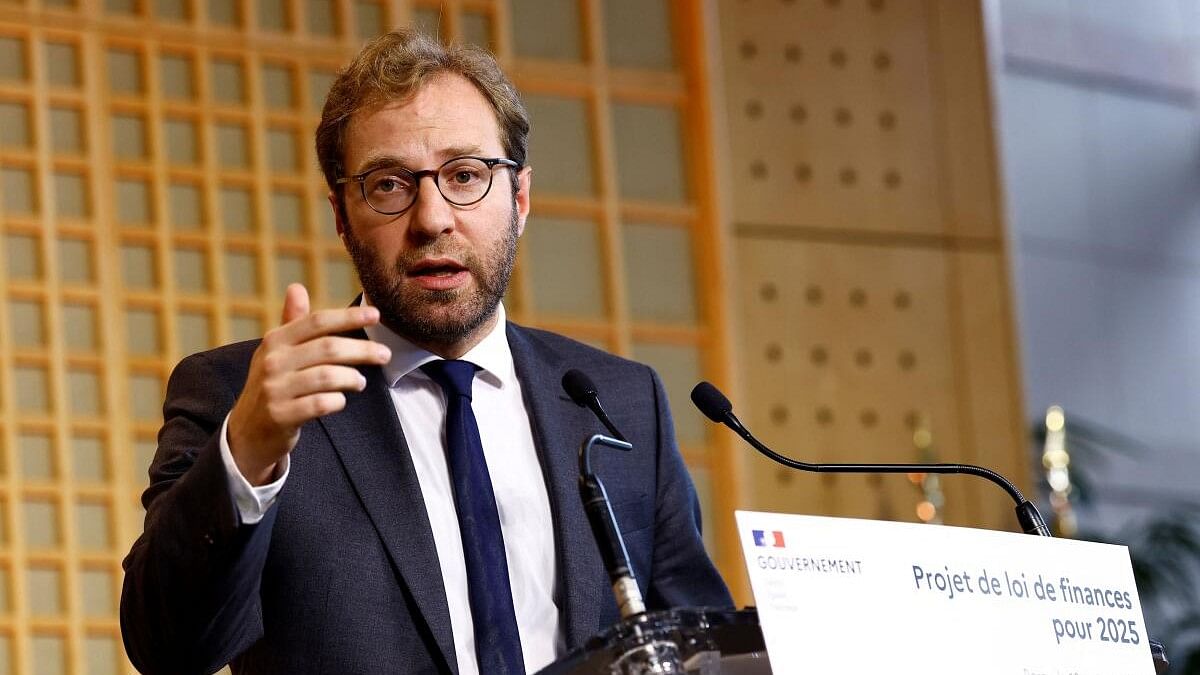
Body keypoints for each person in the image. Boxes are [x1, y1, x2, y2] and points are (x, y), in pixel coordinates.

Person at [120, 28, 731, 675]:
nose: (432, 217)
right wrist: (249, 452)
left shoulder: (621, 400)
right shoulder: (240, 396)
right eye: (388, 185)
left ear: (520, 199)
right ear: (341, 215)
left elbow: (707, 648)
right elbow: (168, 648)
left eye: (465, 174)